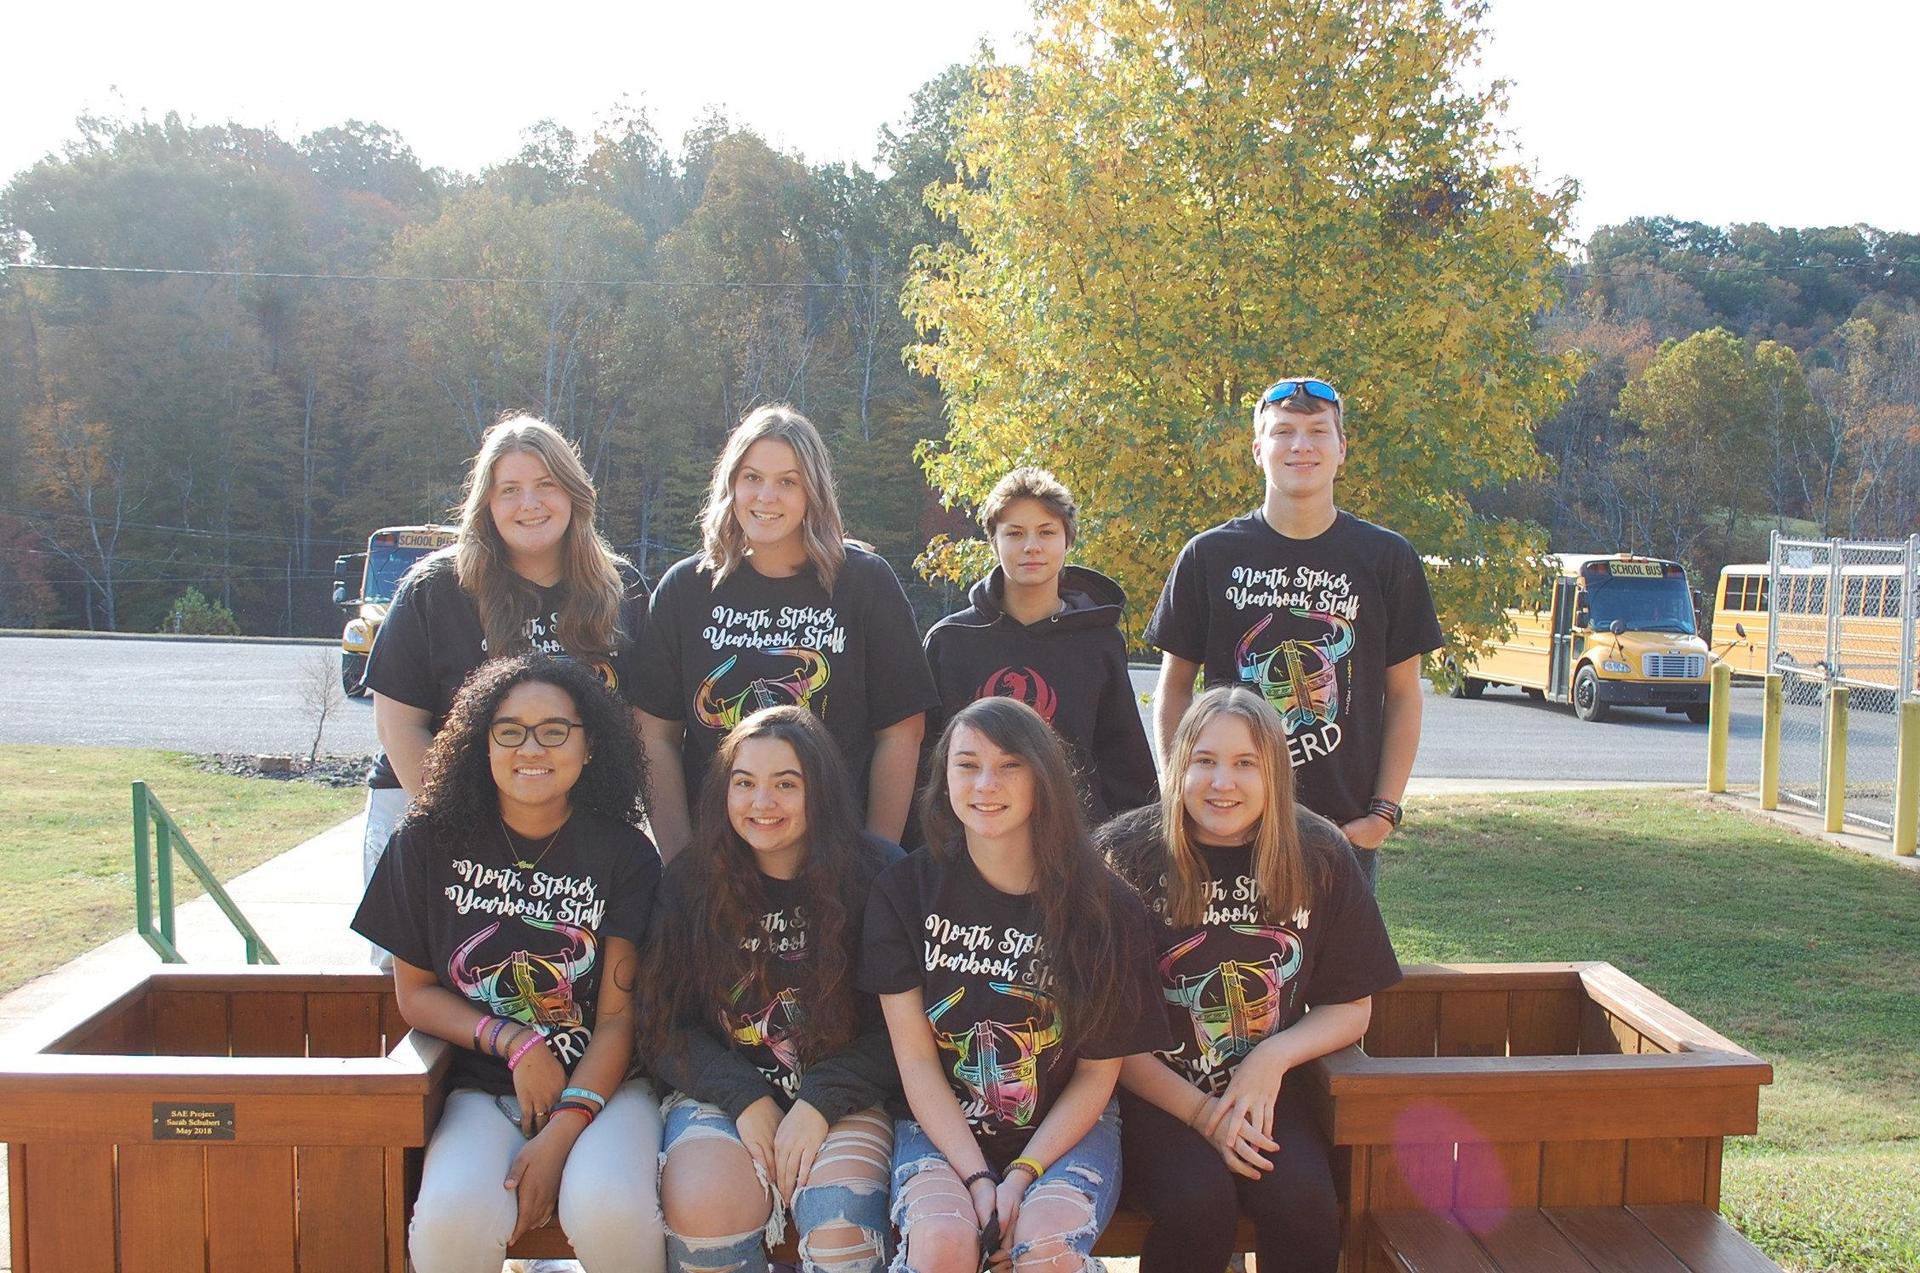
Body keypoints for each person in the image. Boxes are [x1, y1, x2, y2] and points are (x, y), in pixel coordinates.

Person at [351, 655, 665, 1273]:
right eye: (509, 729)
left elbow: (617, 1022)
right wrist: (517, 1043)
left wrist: (561, 1133)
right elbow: (413, 994)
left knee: (611, 1208)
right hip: (482, 1085)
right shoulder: (424, 841)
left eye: (555, 730)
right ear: (480, 741)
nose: (531, 747)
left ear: (590, 743)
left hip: (607, 1089)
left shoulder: (628, 855)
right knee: (450, 1221)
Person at [860, 697, 1167, 1272]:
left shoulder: (1107, 907)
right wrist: (978, 1178)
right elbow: (918, 1062)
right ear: (944, 776)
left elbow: (1099, 1072)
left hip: (1068, 1128)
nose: (984, 784)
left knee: (1044, 1246)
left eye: (1009, 765)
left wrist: (1023, 1176)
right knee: (942, 1245)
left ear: (1043, 778)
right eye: (967, 764)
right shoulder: (904, 891)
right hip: (939, 1123)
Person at [1100, 687, 1401, 1273]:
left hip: (1266, 1092)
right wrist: (1201, 1115)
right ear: (1178, 763)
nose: (1222, 784)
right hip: (1153, 1094)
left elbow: (1352, 1007)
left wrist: (1273, 1058)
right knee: (1198, 1203)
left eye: (1245, 764)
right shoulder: (1124, 857)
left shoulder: (1319, 854)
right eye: (1205, 761)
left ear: (1277, 774)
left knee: (1306, 1203)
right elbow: (1111, 1035)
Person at [1144, 376, 1444, 888]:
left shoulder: (1387, 559)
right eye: (1283, 432)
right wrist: (1183, 800)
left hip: (1343, 835)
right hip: (1227, 826)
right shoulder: (1208, 556)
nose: (1301, 446)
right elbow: (1173, 689)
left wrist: (1381, 816)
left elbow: (1403, 695)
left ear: (1341, 448)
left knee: (1340, 970)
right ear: (1258, 448)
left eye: (1317, 431)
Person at [641, 707, 900, 1273]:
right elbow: (661, 1025)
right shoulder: (690, 882)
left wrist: (821, 1099)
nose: (763, 803)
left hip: (847, 1095)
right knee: (705, 1206)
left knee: (841, 1227)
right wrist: (743, 1096)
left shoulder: (878, 875)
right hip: (722, 1093)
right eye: (745, 783)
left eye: (786, 784)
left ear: (823, 790)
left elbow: (905, 1029)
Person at [360, 414, 648, 898]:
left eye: (546, 485)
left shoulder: (622, 590)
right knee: (416, 973)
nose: (529, 504)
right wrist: (471, 832)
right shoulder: (435, 589)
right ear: (486, 503)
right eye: (509, 489)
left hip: (577, 830)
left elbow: (641, 727)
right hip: (430, 814)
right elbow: (398, 725)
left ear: (575, 494)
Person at [634, 404, 937, 860]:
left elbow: (901, 733)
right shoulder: (685, 589)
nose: (766, 496)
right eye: (752, 477)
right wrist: (680, 862)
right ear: (730, 484)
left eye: (787, 481)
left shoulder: (864, 583)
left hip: (835, 862)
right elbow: (653, 734)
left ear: (813, 491)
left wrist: (877, 861)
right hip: (719, 866)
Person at [922, 466, 1157, 829]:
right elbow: (925, 763)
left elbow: (1124, 764)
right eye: (1014, 533)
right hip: (970, 844)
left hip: (1073, 845)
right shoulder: (950, 641)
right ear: (993, 541)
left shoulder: (1099, 642)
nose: (1031, 546)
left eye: (1046, 532)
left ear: (1067, 540)